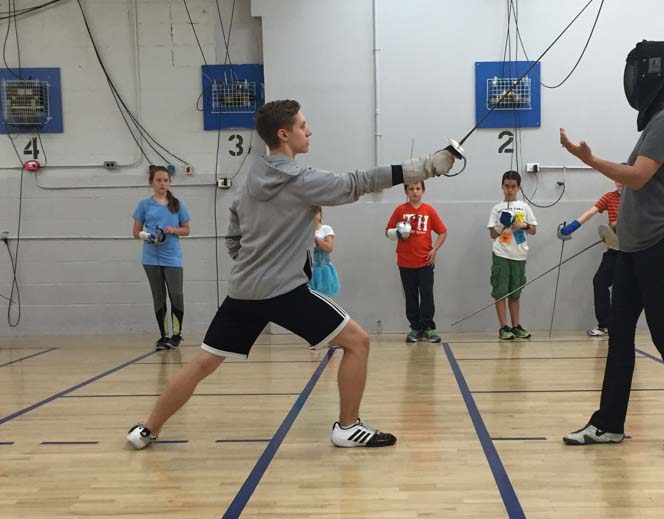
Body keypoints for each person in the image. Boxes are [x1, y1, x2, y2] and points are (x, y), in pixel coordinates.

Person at [127, 99, 456, 450]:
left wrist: (251, 262)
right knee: (358, 343)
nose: (308, 130)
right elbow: (355, 182)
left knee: (204, 360)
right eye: (302, 125)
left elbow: (233, 236)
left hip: (244, 291)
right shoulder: (299, 180)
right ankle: (347, 427)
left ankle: (148, 429)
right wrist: (426, 167)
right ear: (284, 135)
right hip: (284, 291)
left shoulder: (249, 179)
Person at [560, 40, 664, 452]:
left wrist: (589, 160)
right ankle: (608, 424)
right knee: (620, 334)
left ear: (653, 75)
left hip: (659, 245)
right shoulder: (659, 120)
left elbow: (638, 177)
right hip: (634, 248)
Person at [132, 165, 191, 351]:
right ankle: (164, 335)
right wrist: (149, 236)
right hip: (150, 258)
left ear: (170, 183)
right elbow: (135, 232)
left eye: (165, 180)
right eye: (158, 180)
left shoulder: (178, 205)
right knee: (158, 296)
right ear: (151, 182)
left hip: (172, 258)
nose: (162, 183)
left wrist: (173, 230)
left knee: (176, 295)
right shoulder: (144, 205)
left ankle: (176, 335)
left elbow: (187, 230)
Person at [557, 181, 623, 336]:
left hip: (632, 252)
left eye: (622, 178)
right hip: (613, 250)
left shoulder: (638, 198)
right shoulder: (609, 197)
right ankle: (604, 325)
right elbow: (591, 212)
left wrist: (617, 226)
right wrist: (571, 227)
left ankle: (621, 326)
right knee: (600, 282)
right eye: (617, 178)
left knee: (624, 289)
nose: (619, 182)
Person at [386, 181, 447, 343]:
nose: (415, 192)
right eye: (411, 189)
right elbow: (388, 231)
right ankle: (415, 328)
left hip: (425, 262)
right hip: (405, 262)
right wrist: (399, 233)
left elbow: (442, 232)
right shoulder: (400, 210)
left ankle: (428, 328)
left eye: (418, 188)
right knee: (410, 295)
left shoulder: (429, 210)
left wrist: (434, 250)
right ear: (406, 191)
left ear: (423, 191)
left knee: (427, 295)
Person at [487, 170, 537, 340]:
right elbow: (493, 235)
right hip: (501, 254)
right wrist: (502, 223)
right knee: (501, 291)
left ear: (518, 188)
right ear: (502, 186)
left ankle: (516, 326)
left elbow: (533, 230)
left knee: (515, 293)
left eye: (513, 187)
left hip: (519, 255)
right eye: (506, 186)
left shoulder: (524, 207)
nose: (509, 190)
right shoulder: (497, 208)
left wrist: (521, 225)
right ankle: (503, 327)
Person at [308, 207, 340, 298]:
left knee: (323, 298)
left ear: (320, 214)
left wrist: (315, 237)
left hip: (323, 270)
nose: (314, 216)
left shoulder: (326, 229)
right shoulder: (304, 231)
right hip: (309, 270)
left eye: (316, 213)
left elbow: (329, 248)